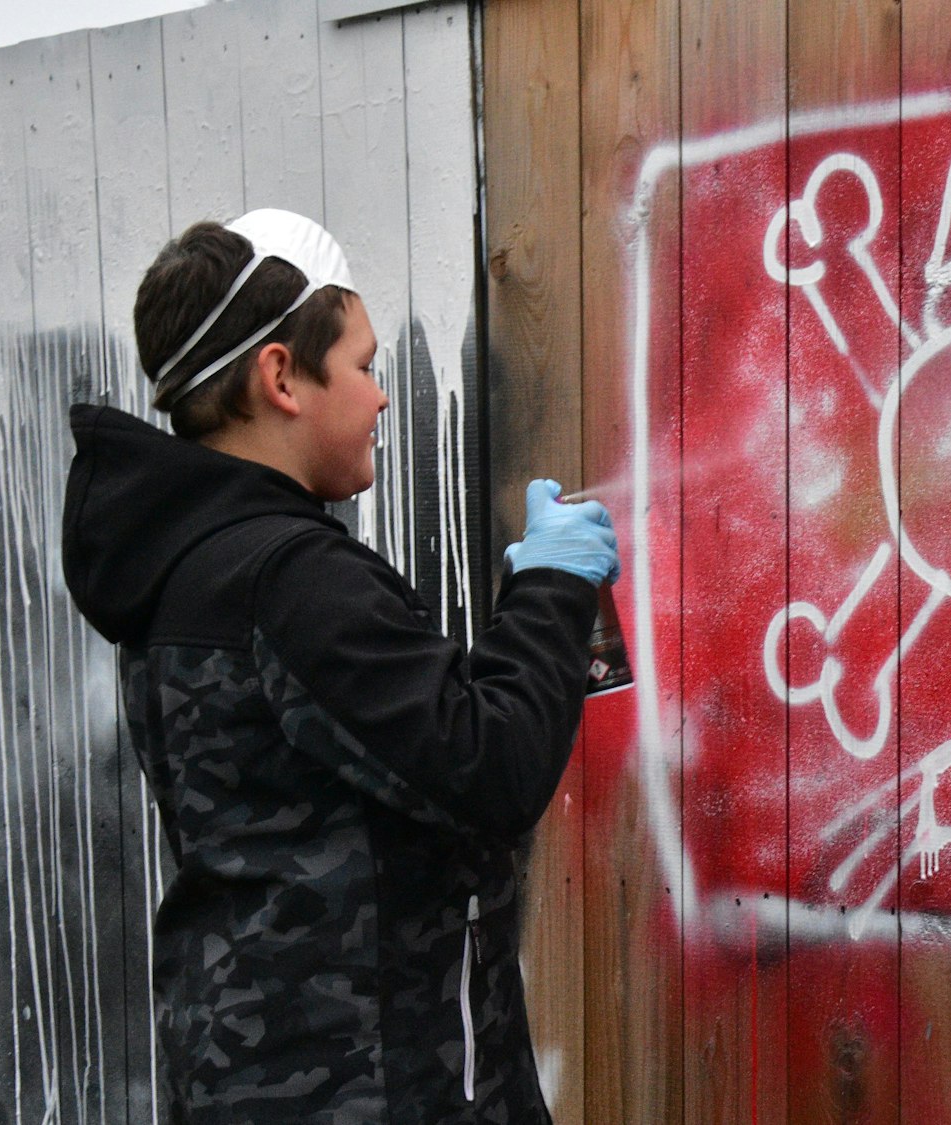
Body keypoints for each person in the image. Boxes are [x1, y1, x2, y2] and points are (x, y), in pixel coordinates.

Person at [61, 209, 613, 1123]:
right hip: (372, 1085)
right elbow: (489, 765)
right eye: (362, 365)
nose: (382, 395)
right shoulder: (289, 578)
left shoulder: (186, 565)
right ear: (281, 375)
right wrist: (555, 589)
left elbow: (397, 756)